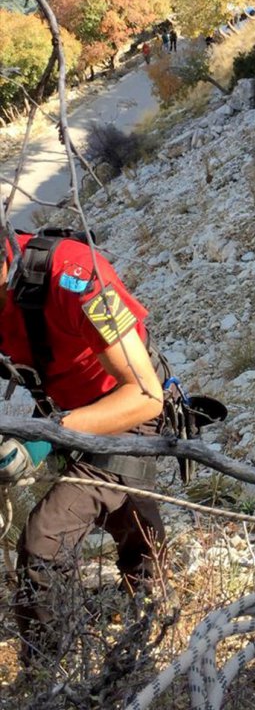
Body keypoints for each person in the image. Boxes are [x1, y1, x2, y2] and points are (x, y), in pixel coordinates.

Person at [0, 231, 166, 665]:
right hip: (63, 407)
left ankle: (50, 681)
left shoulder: (75, 275)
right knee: (131, 516)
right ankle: (152, 607)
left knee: (43, 545)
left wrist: (44, 437)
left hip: (128, 406)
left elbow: (146, 394)